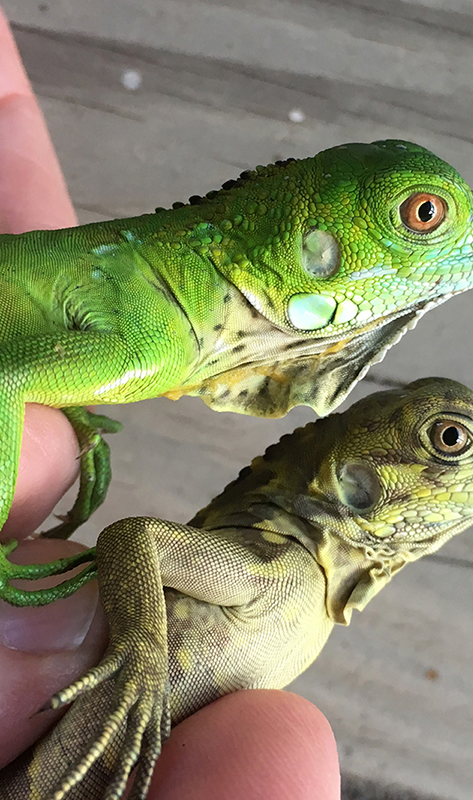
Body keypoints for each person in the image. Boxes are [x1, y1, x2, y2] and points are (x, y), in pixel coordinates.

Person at [0, 10, 340, 798]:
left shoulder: (163, 331)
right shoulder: (152, 342)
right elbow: (9, 380)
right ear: (315, 249)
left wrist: (69, 392)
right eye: (421, 221)